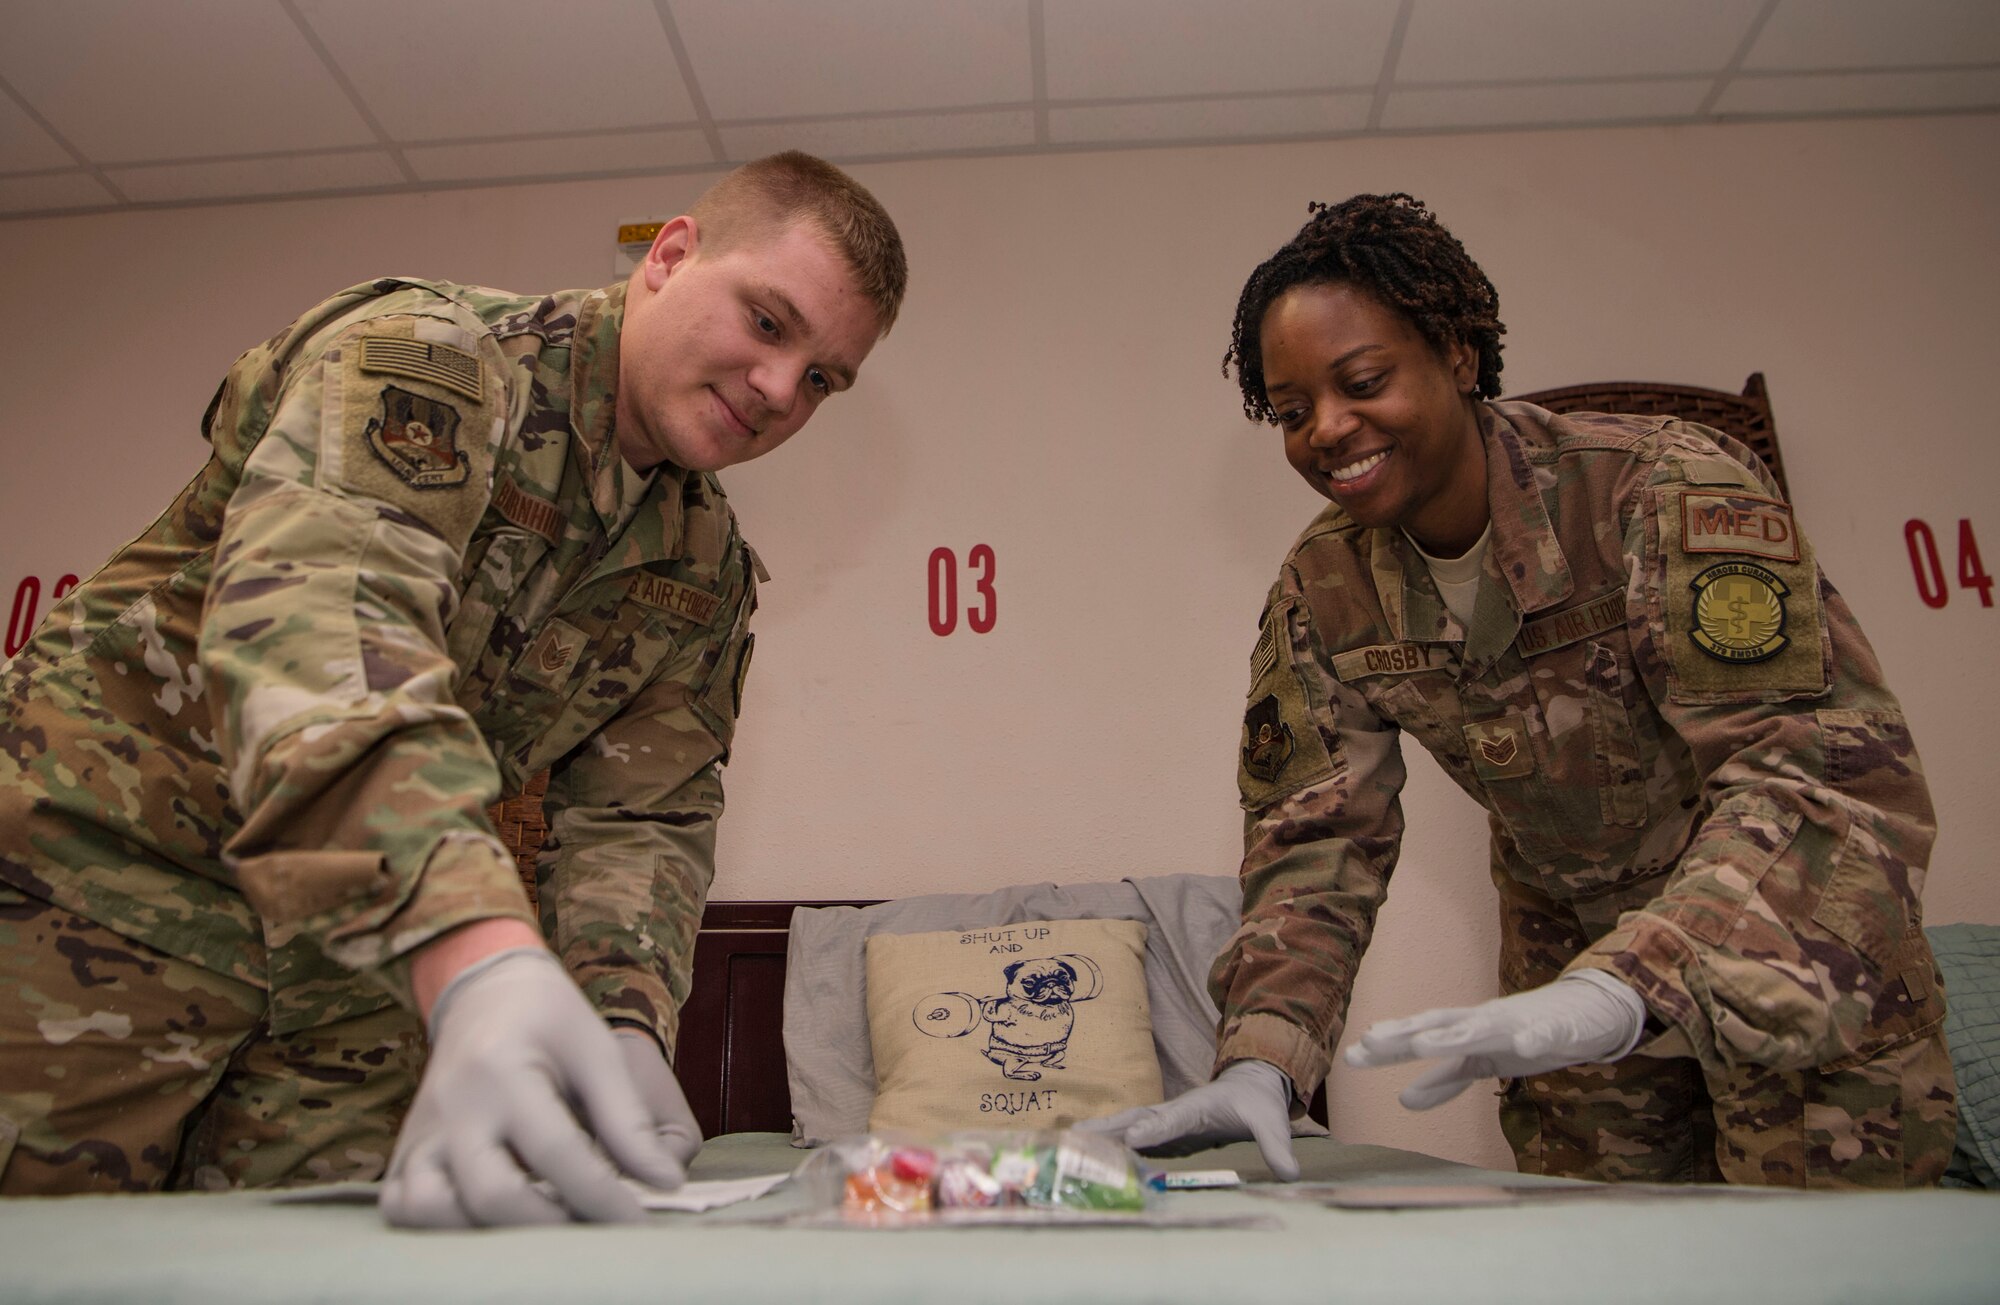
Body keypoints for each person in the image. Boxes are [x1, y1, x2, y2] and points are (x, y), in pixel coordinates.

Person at [0, 151, 905, 1226]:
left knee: (326, 1269)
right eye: (767, 323)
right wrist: (472, 957)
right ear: (669, 257)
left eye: (819, 379)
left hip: (353, 970)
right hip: (102, 890)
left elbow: (639, 814)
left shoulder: (699, 563)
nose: (777, 391)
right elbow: (331, 631)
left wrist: (619, 1021)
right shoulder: (432, 365)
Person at [1090, 193, 1954, 1188]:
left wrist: (1623, 984)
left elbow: (1813, 781)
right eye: (1289, 412)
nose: (1325, 430)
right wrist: (1260, 1060)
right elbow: (1314, 844)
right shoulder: (1323, 587)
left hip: (1793, 976)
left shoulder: (1658, 491)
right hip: (1573, 1007)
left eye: (1361, 380)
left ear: (1456, 356)